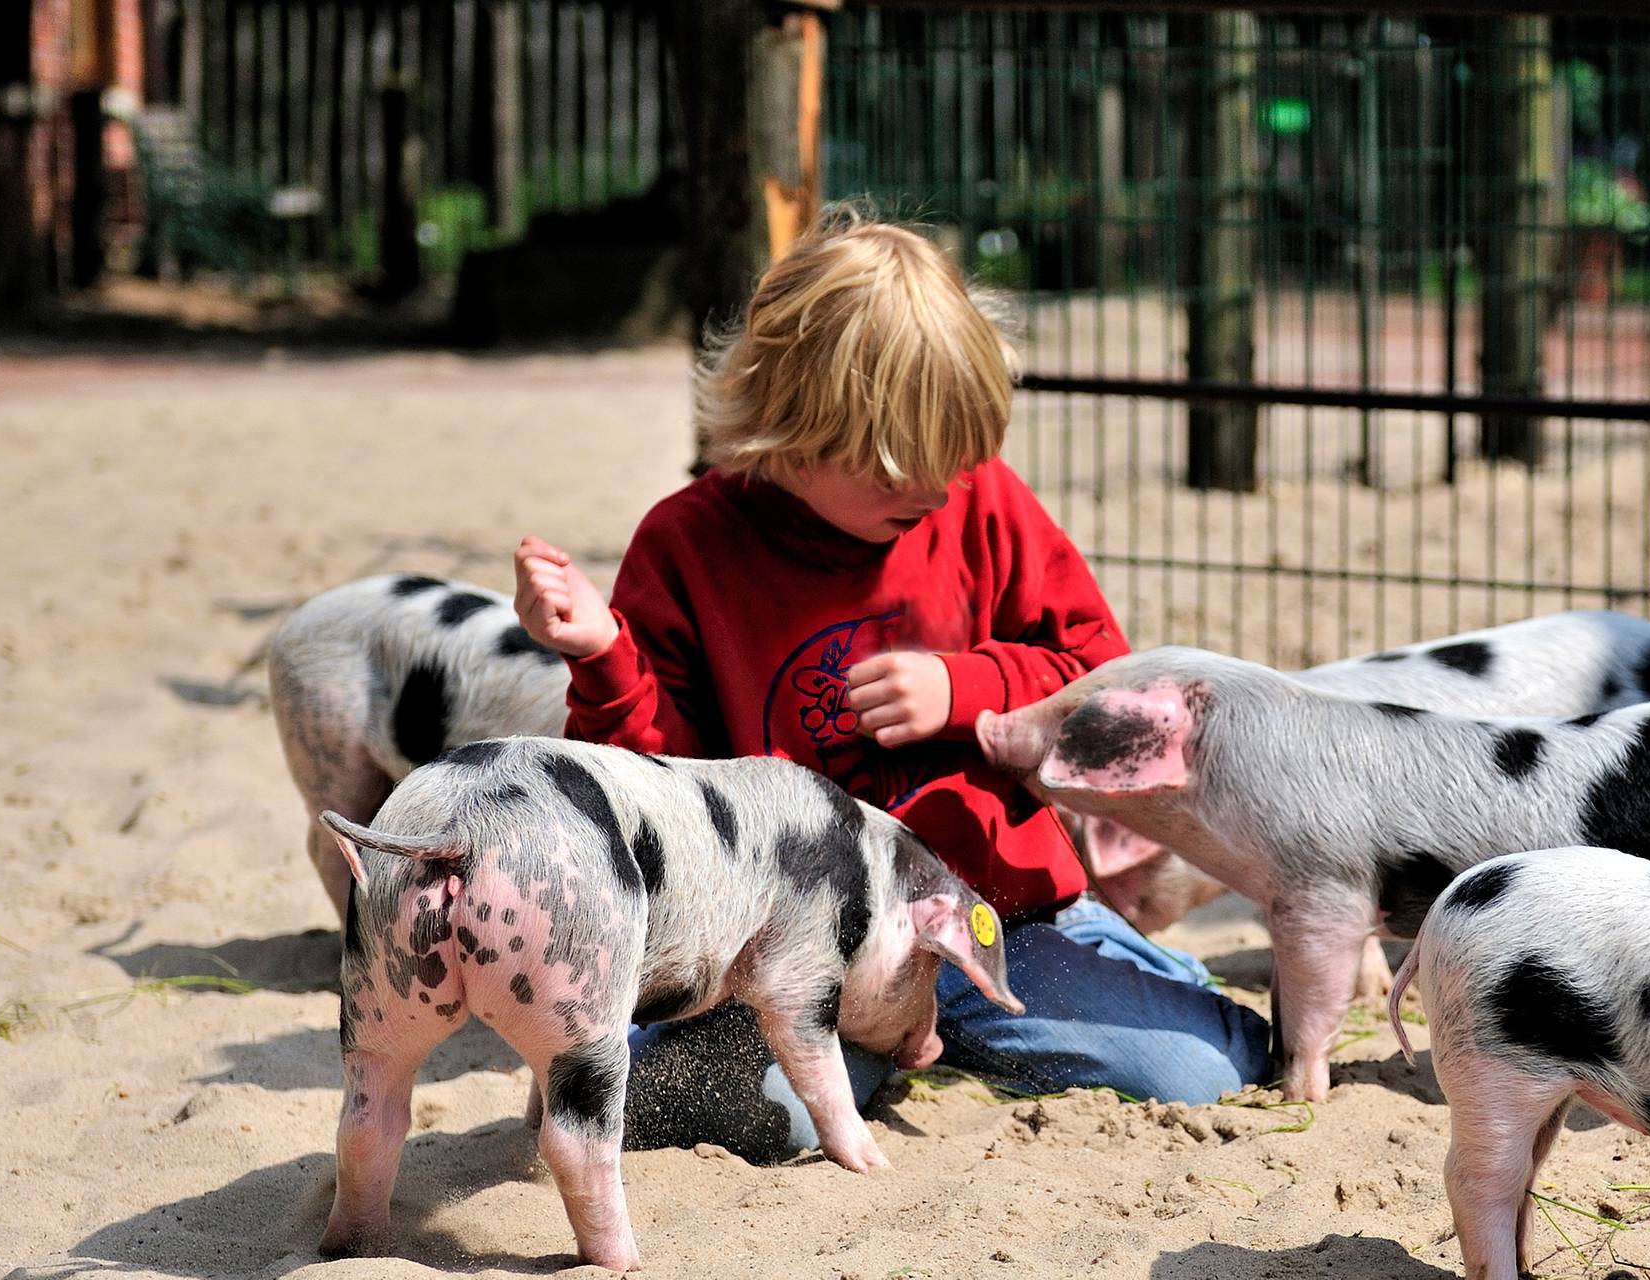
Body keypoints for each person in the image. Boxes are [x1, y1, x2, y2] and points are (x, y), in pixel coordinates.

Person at [511, 213, 1269, 1159]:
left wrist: (968, 687)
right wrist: (600, 657)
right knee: (747, 1121)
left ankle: (1119, 981)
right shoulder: (687, 548)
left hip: (1000, 924)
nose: (935, 490)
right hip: (801, 956)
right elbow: (651, 796)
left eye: (954, 459)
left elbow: (1100, 676)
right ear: (790, 427)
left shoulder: (978, 499)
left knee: (1208, 1074)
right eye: (897, 468)